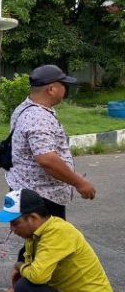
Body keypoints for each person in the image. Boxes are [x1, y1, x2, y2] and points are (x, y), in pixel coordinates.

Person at [6, 64, 96, 221]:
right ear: (52, 89)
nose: (66, 89)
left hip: (28, 190)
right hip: (40, 196)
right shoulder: (38, 117)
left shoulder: (25, 108)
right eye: (63, 85)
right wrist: (79, 182)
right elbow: (46, 159)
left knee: (40, 242)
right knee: (53, 242)